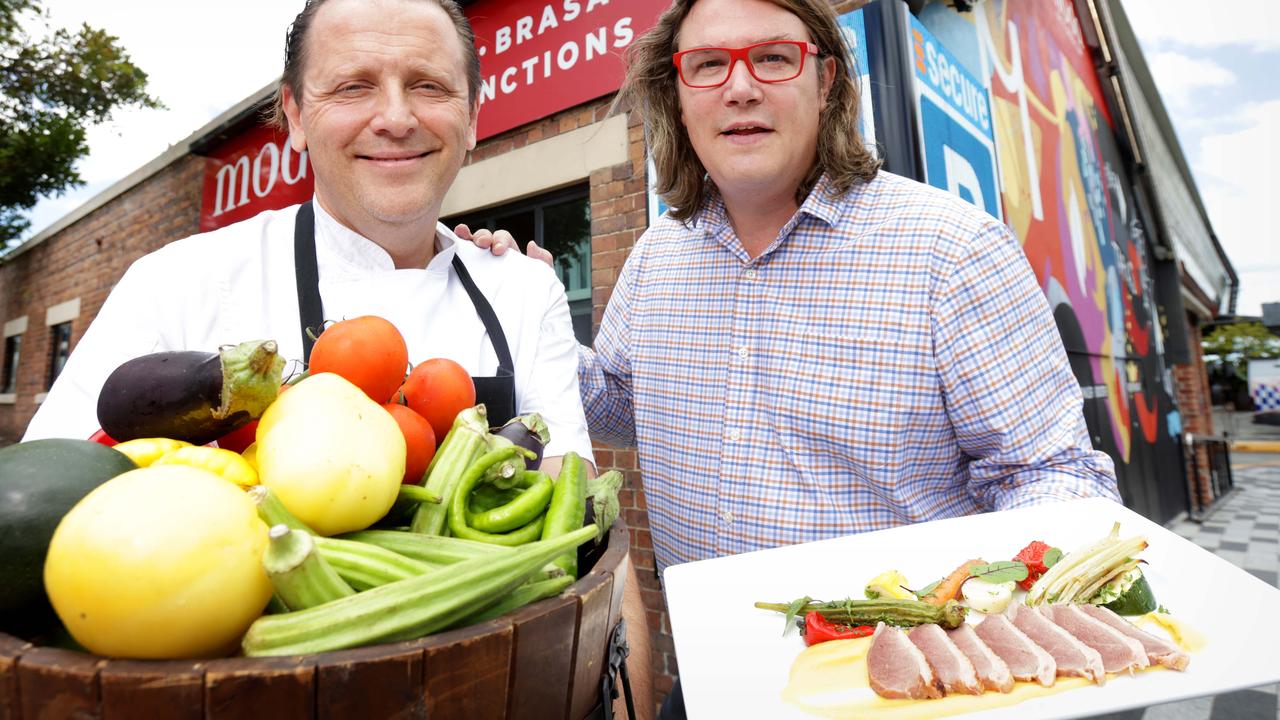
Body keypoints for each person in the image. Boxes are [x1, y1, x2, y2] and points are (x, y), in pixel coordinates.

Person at [471, 0, 1120, 715]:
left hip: (897, 684)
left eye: (774, 58)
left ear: (828, 82)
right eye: (708, 64)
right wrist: (530, 316)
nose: (740, 87)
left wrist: (983, 613)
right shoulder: (658, 256)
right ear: (677, 99)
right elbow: (623, 404)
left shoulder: (952, 252)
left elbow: (1054, 477)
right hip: (713, 675)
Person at [25, 2, 657, 715]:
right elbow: (40, 518)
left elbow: (588, 536)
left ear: (474, 115)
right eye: (352, 86)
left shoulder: (521, 289)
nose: (395, 118)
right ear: (294, 115)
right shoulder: (181, 280)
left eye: (429, 85)